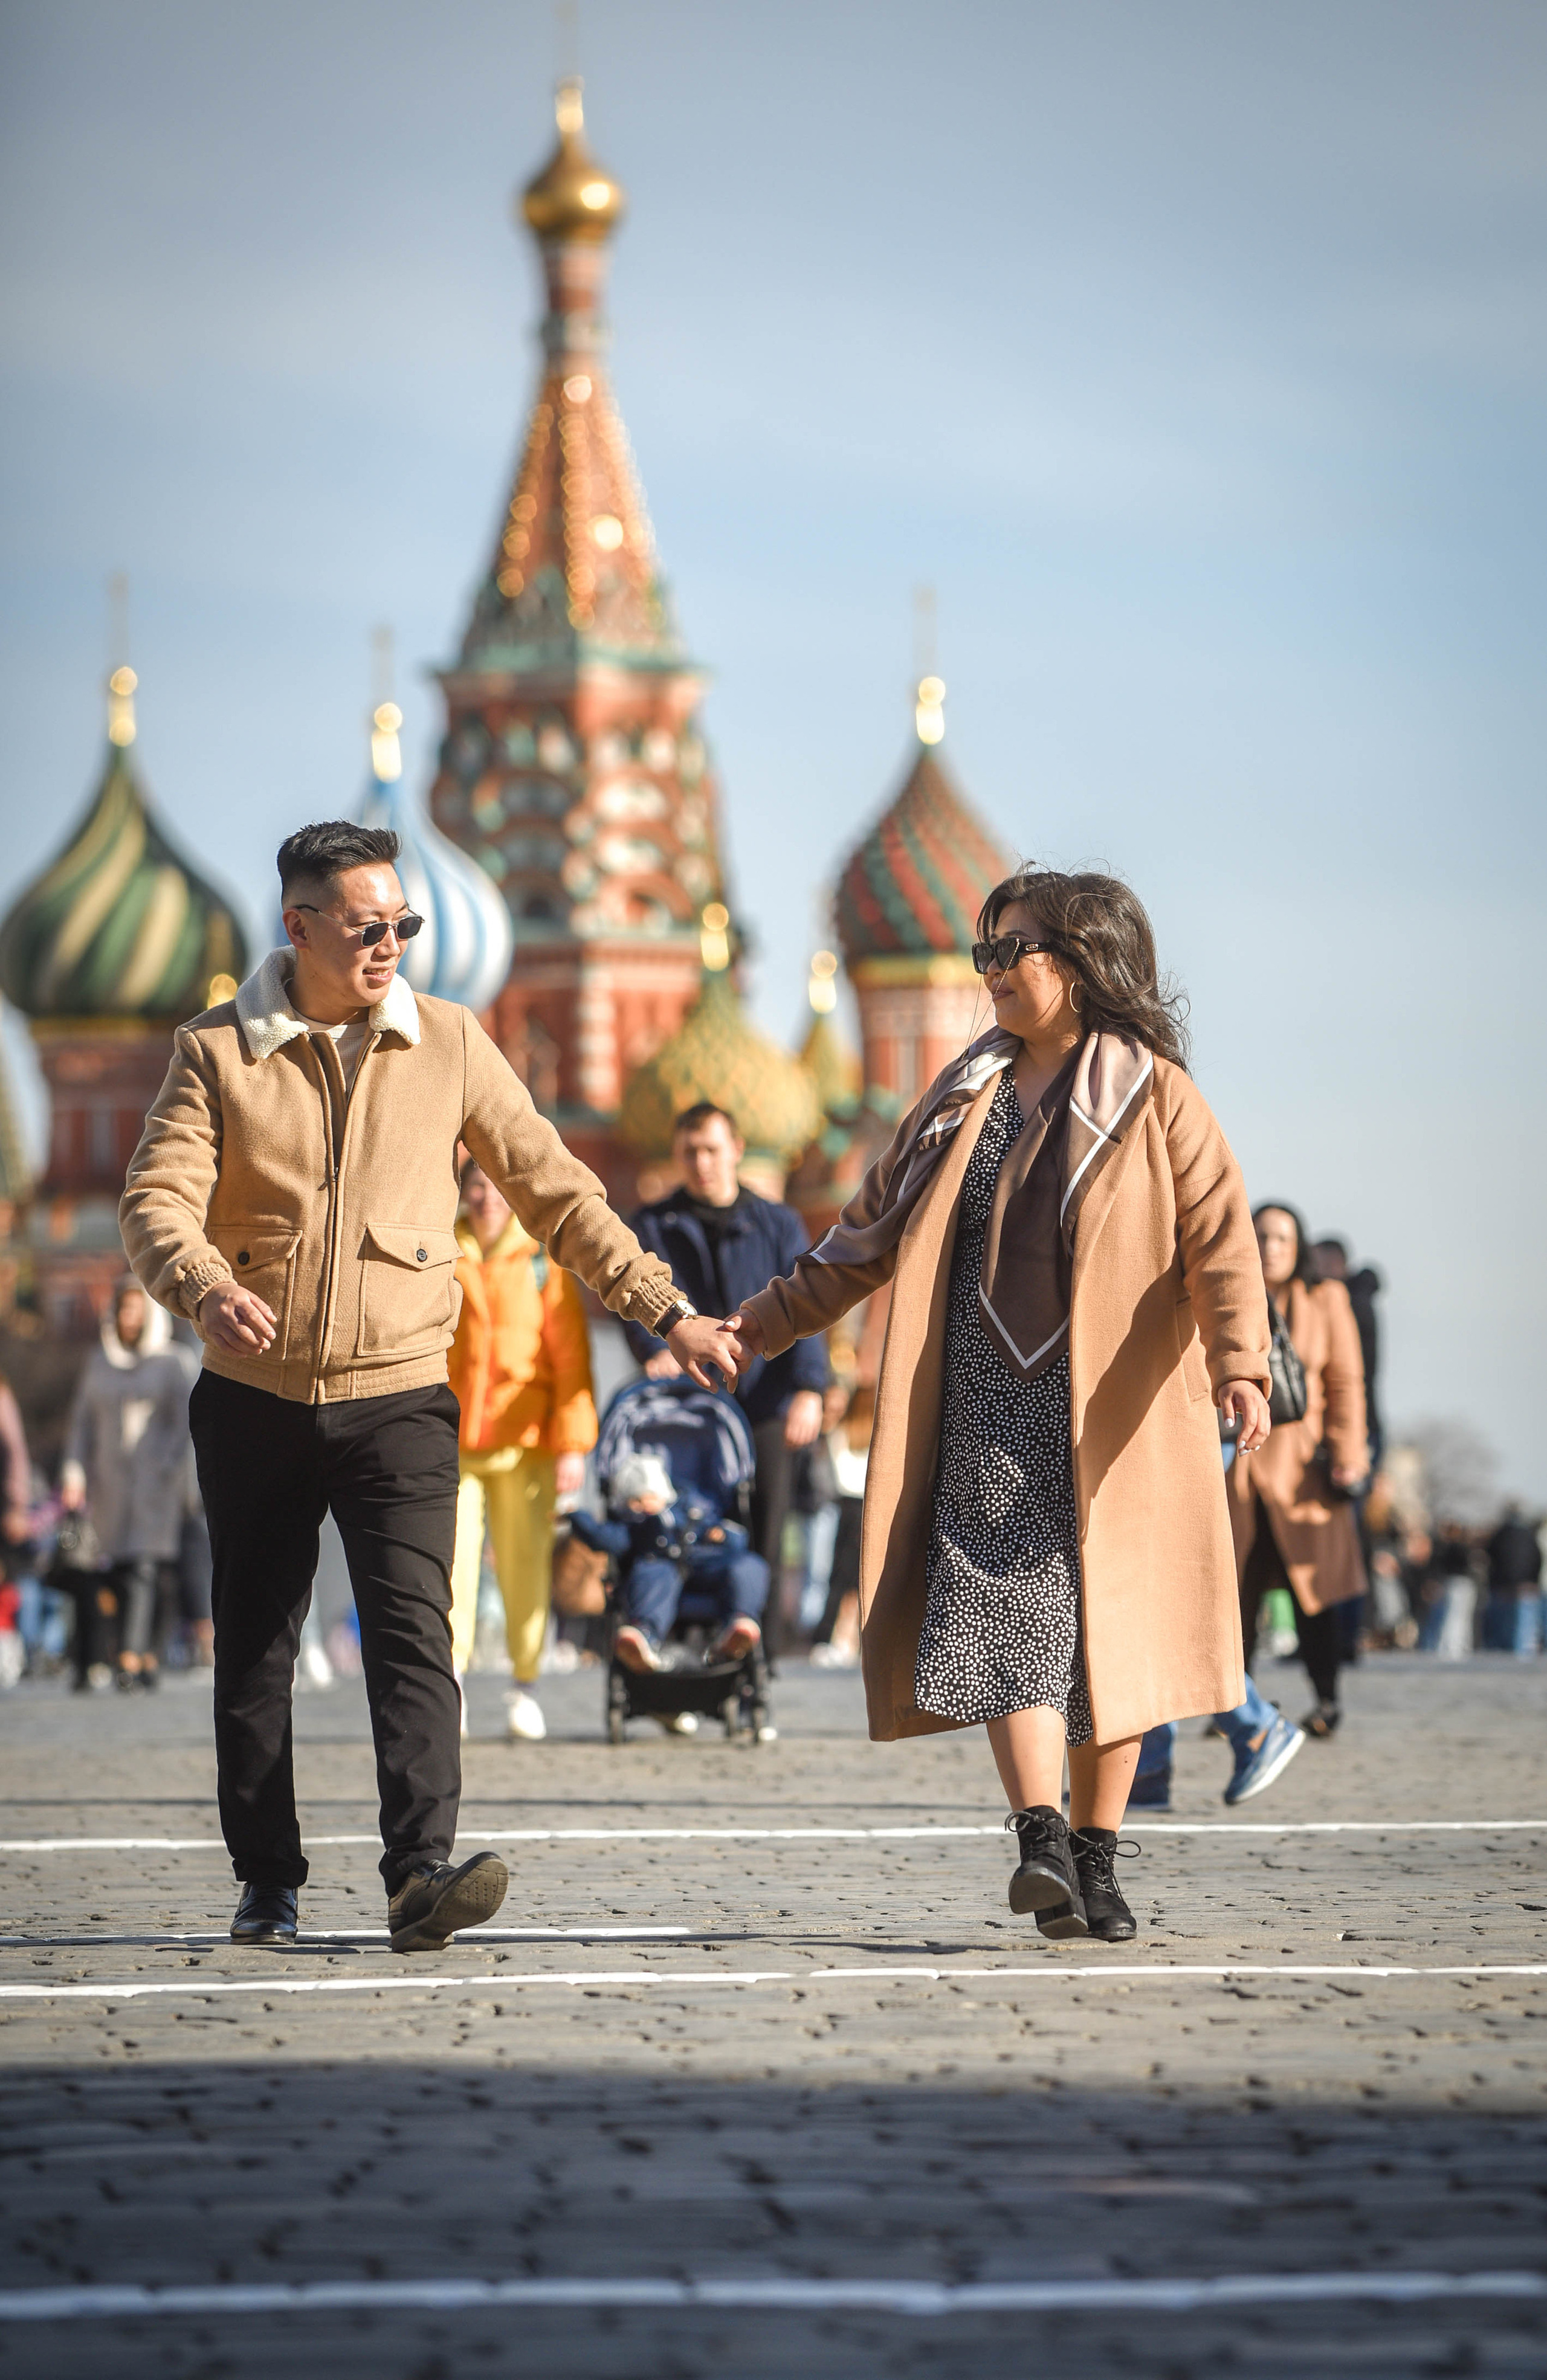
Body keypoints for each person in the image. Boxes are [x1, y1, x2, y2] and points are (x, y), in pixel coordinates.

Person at [120, 820, 738, 1953]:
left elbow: (557, 1191)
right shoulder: (215, 1051)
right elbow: (156, 1197)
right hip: (254, 1395)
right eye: (369, 926)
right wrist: (204, 1285)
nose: (392, 943)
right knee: (256, 1644)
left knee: (416, 1633)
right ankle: (267, 1876)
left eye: (403, 923)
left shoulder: (449, 1039)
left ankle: (419, 1874)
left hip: (400, 1392)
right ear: (300, 925)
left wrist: (664, 1308)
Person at [729, 867, 1271, 1944]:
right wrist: (757, 1326)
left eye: (1009, 949)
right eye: (984, 951)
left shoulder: (1157, 1093)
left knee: (1114, 1630)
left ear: (1079, 960)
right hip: (986, 1399)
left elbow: (1222, 1236)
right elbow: (861, 1237)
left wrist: (1241, 1362)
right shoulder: (959, 1095)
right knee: (1003, 1614)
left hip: (1115, 1407)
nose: (989, 972)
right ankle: (1040, 1837)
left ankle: (1097, 1858)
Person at [624, 1105, 828, 1656]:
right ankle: (681, 1642)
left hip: (765, 1399)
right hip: (688, 1407)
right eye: (690, 1152)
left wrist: (811, 1388)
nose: (702, 1162)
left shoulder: (777, 1222)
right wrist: (654, 1349)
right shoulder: (654, 1224)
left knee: (767, 1525)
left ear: (736, 1150)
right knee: (684, 1522)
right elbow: (636, 1297)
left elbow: (808, 1301)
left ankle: (760, 1653)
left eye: (712, 1149)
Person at [446, 1158, 597, 1741]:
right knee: (449, 1568)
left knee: (524, 1565)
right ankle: (450, 1687)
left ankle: (525, 1685)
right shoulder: (443, 1250)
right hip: (455, 1436)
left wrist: (573, 1444)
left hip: (527, 1437)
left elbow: (571, 1355)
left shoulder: (540, 1260)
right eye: (476, 1187)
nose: (486, 1198)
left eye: (494, 1188)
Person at [1227, 1203, 1369, 1738]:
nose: (1271, 1248)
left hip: (1303, 1469)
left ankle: (1327, 1699)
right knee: (1235, 1593)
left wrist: (1348, 1452)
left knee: (1314, 1591)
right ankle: (1236, 1708)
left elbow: (1345, 1381)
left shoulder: (1325, 1297)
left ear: (1299, 1246)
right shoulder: (1229, 1290)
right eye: (1262, 1236)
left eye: (1282, 1238)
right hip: (1239, 1466)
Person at [60, 1278, 192, 1689]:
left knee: (147, 1568)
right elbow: (82, 1424)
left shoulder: (173, 1362)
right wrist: (74, 1474)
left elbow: (185, 1422)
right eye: (123, 1309)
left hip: (157, 1485)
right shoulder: (100, 1362)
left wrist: (167, 1465)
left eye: (136, 1310)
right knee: (118, 1570)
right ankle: (135, 1653)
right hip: (110, 1485)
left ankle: (133, 1656)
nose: (128, 1318)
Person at [570, 1448, 768, 1668]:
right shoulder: (635, 1528)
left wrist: (724, 1535)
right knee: (650, 1573)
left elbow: (738, 1538)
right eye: (635, 1501)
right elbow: (604, 1537)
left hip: (705, 1566)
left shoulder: (695, 1510)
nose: (643, 1506)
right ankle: (643, 1636)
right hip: (661, 1570)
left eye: (648, 1498)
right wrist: (577, 1516)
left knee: (749, 1565)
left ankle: (740, 1624)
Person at [1482, 1503, 1543, 1656]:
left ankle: (1504, 1652)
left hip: (1503, 1586)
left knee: (1502, 1625)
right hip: (1523, 1585)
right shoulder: (1529, 1535)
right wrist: (1533, 1581)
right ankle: (1520, 1653)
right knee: (1522, 1625)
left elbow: (1490, 1558)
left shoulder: (1500, 1535)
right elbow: (1537, 1559)